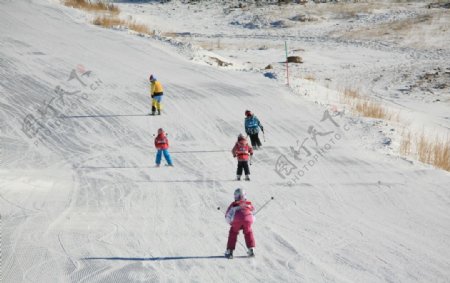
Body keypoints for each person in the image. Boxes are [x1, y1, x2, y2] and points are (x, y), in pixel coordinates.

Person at [224, 188, 256, 259]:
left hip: (236, 220)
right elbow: (253, 213)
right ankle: (251, 249)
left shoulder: (234, 204)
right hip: (248, 218)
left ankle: (230, 251)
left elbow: (228, 215)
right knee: (248, 232)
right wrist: (251, 221)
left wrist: (230, 222)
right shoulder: (248, 203)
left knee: (233, 232)